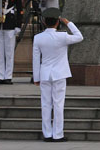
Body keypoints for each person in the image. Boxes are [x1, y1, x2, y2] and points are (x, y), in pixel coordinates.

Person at [32, 8, 83, 142]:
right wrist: (69, 23)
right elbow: (79, 36)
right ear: (58, 22)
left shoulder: (38, 38)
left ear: (43, 21)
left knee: (45, 104)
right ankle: (58, 134)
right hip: (59, 74)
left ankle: (47, 134)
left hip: (44, 75)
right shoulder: (62, 36)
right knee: (58, 104)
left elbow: (36, 59)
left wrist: (36, 78)